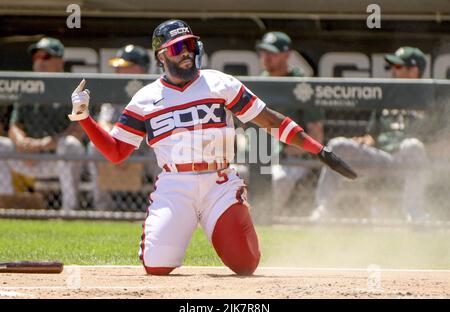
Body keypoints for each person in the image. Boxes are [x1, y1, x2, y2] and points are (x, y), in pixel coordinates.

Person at [69, 19, 356, 276]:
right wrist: (84, 118)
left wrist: (319, 150)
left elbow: (269, 120)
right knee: (157, 266)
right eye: (178, 46)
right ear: (162, 55)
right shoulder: (145, 99)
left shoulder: (219, 82)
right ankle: (183, 224)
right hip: (175, 184)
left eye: (190, 45)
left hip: (219, 181)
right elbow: (116, 152)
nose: (186, 52)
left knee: (246, 265)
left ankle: (226, 215)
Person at [312, 46, 429, 222]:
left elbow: (442, 139)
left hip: (410, 160)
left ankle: (414, 213)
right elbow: (372, 135)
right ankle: (323, 209)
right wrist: (364, 141)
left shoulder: (431, 97)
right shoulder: (387, 95)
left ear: (414, 71)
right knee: (337, 145)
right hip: (382, 158)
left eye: (398, 67)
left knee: (412, 145)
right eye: (392, 67)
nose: (393, 71)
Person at [0, 37, 85, 210]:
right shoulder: (28, 86)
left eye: (45, 57)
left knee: (70, 145)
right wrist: (23, 143)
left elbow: (79, 128)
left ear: (59, 61)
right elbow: (15, 126)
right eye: (36, 57)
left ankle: (70, 211)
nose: (39, 62)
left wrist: (45, 144)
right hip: (28, 157)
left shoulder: (72, 87)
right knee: (1, 145)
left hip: (57, 157)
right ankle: (6, 205)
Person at [256, 31, 325, 213]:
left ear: (287, 55)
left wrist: (298, 148)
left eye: (272, 53)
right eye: (264, 52)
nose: (266, 57)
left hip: (289, 155)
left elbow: (316, 130)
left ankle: (267, 219)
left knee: (279, 178)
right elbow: (242, 126)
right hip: (256, 153)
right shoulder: (257, 82)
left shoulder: (301, 85)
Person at [88, 45, 160, 210]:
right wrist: (116, 147)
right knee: (94, 146)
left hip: (145, 147)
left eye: (124, 66)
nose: (117, 70)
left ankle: (157, 206)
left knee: (160, 147)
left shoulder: (155, 91)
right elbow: (104, 122)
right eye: (118, 67)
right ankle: (102, 207)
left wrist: (128, 143)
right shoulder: (115, 90)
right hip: (121, 143)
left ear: (139, 69)